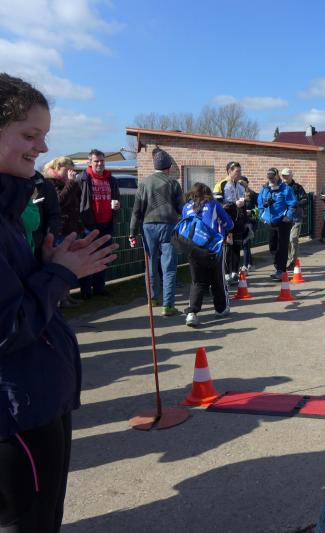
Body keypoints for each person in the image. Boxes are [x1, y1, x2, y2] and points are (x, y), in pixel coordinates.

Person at [0, 72, 118, 533]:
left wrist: (45, 264)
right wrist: (60, 273)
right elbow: (7, 325)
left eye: (44, 136)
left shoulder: (10, 206)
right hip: (15, 411)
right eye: (30, 135)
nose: (43, 148)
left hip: (34, 396)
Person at [128, 148, 183, 316]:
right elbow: (181, 208)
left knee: (150, 263)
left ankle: (152, 299)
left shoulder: (144, 183)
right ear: (169, 167)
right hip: (169, 226)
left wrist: (132, 232)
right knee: (169, 267)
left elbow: (136, 210)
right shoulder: (173, 183)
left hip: (148, 227)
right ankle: (168, 305)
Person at [182, 183, 234, 327]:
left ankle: (192, 313)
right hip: (212, 247)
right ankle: (220, 309)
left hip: (192, 247)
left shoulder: (186, 207)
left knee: (197, 281)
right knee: (217, 279)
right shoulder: (213, 204)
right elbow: (229, 224)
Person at [76, 148, 121, 299]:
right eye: (96, 161)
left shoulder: (111, 179)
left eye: (102, 161)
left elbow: (117, 198)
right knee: (87, 257)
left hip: (107, 224)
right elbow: (77, 201)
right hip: (89, 225)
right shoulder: (83, 179)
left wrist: (117, 205)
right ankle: (86, 291)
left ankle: (99, 288)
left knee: (103, 257)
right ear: (90, 162)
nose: (100, 164)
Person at [43, 156, 83, 309]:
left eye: (72, 170)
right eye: (67, 170)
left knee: (68, 266)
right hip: (60, 230)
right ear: (58, 168)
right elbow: (59, 202)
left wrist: (74, 184)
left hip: (71, 229)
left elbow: (76, 201)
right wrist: (71, 183)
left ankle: (67, 296)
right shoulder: (50, 183)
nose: (70, 173)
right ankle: (60, 298)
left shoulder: (68, 183)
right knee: (60, 265)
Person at [258, 168, 297, 281]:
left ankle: (281, 270)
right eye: (269, 178)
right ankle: (277, 268)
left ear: (277, 176)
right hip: (269, 222)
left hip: (282, 221)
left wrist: (288, 216)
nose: (271, 180)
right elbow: (260, 204)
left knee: (282, 246)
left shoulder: (286, 189)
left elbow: (292, 204)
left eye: (273, 177)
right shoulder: (264, 189)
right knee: (273, 246)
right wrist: (262, 216)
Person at [219, 162, 247, 283]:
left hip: (238, 221)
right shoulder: (221, 184)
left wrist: (246, 221)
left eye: (240, 171)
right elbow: (218, 204)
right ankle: (226, 274)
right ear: (229, 171)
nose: (239, 174)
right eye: (237, 171)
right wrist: (233, 204)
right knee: (228, 248)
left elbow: (243, 205)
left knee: (237, 247)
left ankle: (235, 272)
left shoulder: (241, 185)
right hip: (227, 222)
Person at [281, 167, 307, 269]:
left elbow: (305, 199)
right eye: (283, 176)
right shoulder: (280, 187)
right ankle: (290, 258)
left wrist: (296, 204)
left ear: (291, 176)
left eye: (286, 176)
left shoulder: (298, 187)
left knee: (293, 238)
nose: (284, 177)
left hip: (296, 217)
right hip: (285, 217)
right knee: (287, 240)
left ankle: (293, 262)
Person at [239, 175, 257, 271]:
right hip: (242, 222)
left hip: (251, 222)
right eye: (239, 184)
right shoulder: (237, 194)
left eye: (243, 184)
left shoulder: (253, 194)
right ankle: (251, 264)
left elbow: (260, 209)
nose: (241, 186)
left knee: (245, 242)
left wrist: (251, 212)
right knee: (245, 243)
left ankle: (245, 266)